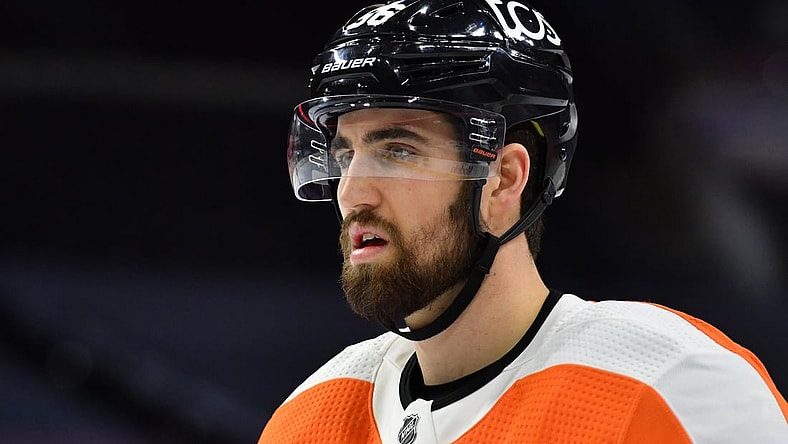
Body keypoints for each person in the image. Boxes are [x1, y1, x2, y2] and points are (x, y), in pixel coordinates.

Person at [259, 0, 788, 442]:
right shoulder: (308, 419)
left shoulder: (675, 384)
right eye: (345, 155)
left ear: (506, 178)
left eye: (397, 150)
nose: (352, 192)